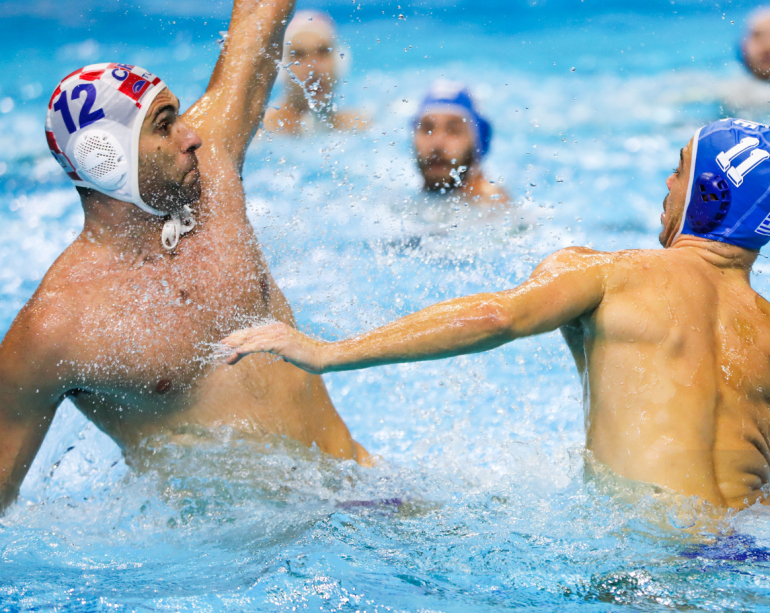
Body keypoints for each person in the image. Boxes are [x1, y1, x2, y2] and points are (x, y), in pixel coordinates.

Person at [223, 59, 770, 510]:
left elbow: (493, 315)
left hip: (639, 568)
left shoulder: (609, 280)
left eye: (677, 170)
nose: (663, 186)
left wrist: (328, 352)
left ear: (706, 191)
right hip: (761, 557)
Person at [0, 0, 371, 512]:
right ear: (104, 159)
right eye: (165, 124)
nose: (193, 134)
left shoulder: (212, 167)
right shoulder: (58, 326)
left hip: (364, 492)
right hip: (237, 568)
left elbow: (263, 12)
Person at [263, 10, 369, 135]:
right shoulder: (261, 132)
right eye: (299, 55)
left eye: (323, 52)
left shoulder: (358, 125)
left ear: (339, 61)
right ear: (281, 67)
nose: (313, 68)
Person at [413, 80, 508, 206]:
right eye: (427, 129)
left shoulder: (492, 205)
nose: (437, 144)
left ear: (478, 143)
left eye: (454, 130)